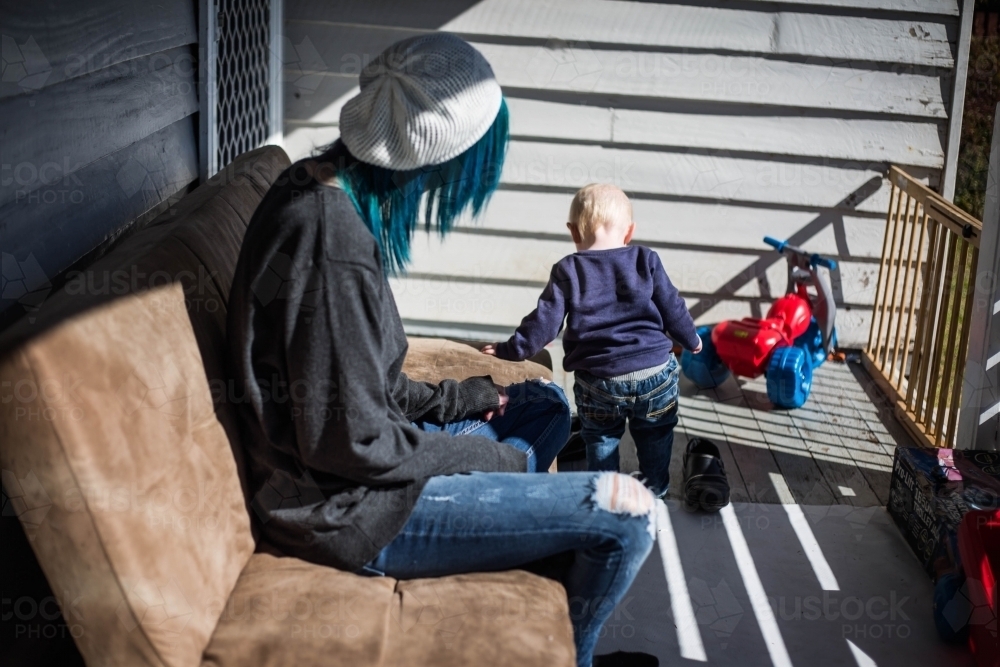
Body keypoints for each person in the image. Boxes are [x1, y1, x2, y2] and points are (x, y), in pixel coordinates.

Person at [226, 34, 654, 667]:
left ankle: (514, 506)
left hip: (364, 460)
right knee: (628, 515)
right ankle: (576, 653)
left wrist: (466, 396)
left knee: (544, 404)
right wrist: (475, 456)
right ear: (440, 158)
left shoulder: (314, 185)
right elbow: (353, 442)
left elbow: (359, 377)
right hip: (351, 510)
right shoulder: (330, 245)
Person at [482, 184, 702, 499]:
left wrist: (510, 350)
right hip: (655, 374)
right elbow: (673, 307)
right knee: (655, 434)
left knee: (601, 439)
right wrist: (691, 339)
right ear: (629, 232)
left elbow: (543, 324)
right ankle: (655, 492)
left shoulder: (568, 270)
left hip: (600, 381)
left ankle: (608, 497)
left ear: (573, 231)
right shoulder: (646, 259)